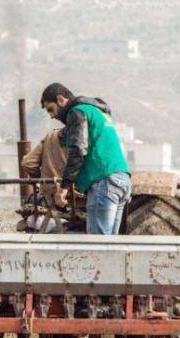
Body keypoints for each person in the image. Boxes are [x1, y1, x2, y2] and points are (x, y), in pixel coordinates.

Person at [39, 83, 131, 235]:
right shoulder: (97, 112)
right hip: (122, 179)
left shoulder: (76, 112)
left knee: (95, 247)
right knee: (109, 248)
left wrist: (64, 188)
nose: (52, 116)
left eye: (51, 109)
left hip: (104, 182)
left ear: (61, 99)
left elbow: (77, 150)